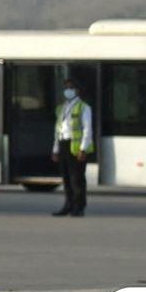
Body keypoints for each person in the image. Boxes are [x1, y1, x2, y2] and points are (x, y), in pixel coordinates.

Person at [52, 77, 94, 217]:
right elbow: (58, 130)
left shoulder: (84, 107)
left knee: (77, 179)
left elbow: (87, 130)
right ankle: (68, 205)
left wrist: (83, 149)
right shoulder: (62, 107)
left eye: (70, 88)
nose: (67, 91)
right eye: (65, 88)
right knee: (66, 179)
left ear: (77, 90)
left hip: (76, 147)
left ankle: (79, 207)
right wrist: (55, 149)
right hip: (63, 144)